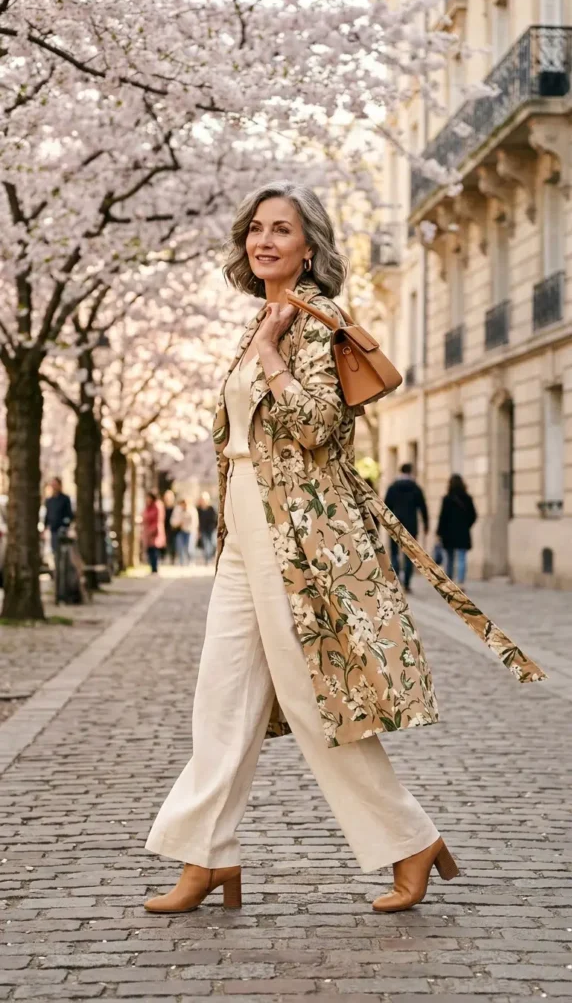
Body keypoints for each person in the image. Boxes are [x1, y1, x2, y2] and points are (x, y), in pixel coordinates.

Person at [144, 180, 457, 918]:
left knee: (318, 703)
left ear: (307, 246)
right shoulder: (265, 316)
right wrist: (260, 339)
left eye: (280, 230)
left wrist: (271, 353)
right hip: (243, 533)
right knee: (219, 700)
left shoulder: (319, 322)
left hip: (298, 537)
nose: (264, 241)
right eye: (256, 229)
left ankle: (410, 839)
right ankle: (207, 857)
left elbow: (320, 426)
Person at [384, 464, 429, 591]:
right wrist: (426, 524)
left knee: (394, 552)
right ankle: (407, 583)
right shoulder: (415, 488)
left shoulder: (392, 487)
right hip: (411, 524)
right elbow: (423, 507)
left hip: (394, 523)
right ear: (411, 472)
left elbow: (386, 506)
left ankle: (397, 578)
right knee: (409, 554)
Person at [436, 474, 477, 590]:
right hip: (462, 533)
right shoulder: (467, 498)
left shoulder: (447, 499)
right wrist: (466, 525)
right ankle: (461, 583)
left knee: (449, 558)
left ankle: (449, 582)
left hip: (448, 533)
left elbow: (442, 517)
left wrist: (439, 532)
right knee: (462, 558)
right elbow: (473, 515)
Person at [44, 478, 74, 560]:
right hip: (53, 530)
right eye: (53, 485)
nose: (54, 487)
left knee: (63, 554)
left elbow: (70, 515)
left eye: (55, 485)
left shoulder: (65, 499)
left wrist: (66, 524)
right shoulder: (49, 501)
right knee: (55, 552)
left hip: (62, 530)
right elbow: (47, 515)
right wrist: (45, 527)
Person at [141, 492, 166, 575]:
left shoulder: (157, 506)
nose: (147, 499)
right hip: (147, 530)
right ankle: (152, 568)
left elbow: (158, 519)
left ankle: (155, 568)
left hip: (155, 531)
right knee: (149, 550)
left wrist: (152, 530)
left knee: (154, 549)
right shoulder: (147, 506)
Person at [171, 499, 198, 565]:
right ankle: (182, 562)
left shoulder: (192, 510)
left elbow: (195, 522)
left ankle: (191, 561)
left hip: (190, 531)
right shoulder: (177, 510)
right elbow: (173, 521)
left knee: (190, 547)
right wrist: (178, 523)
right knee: (180, 547)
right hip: (180, 531)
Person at [196, 493, 217, 563]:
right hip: (203, 529)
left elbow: (215, 519)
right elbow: (197, 520)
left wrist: (214, 527)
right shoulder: (198, 509)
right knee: (205, 544)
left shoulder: (211, 508)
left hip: (211, 529)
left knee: (212, 543)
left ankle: (210, 556)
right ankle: (207, 559)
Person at [162, 490, 177, 564]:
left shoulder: (175, 508)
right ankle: (163, 557)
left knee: (173, 544)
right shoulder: (163, 507)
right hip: (164, 527)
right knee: (164, 543)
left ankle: (172, 559)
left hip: (173, 529)